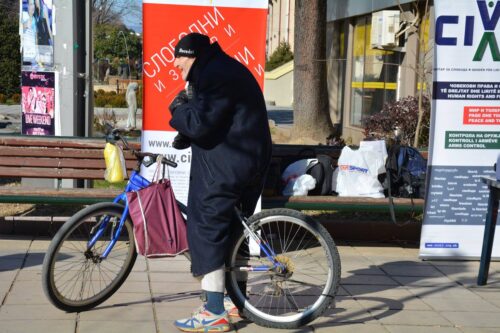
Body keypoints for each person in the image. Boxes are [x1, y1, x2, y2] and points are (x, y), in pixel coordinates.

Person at [168, 33, 272, 332]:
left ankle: (213, 311)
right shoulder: (224, 69)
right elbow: (217, 118)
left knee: (207, 227)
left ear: (194, 55)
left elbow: (200, 123)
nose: (175, 63)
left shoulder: (213, 75)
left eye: (180, 57)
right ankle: (237, 302)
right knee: (234, 230)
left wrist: (177, 109)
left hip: (227, 164)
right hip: (247, 160)